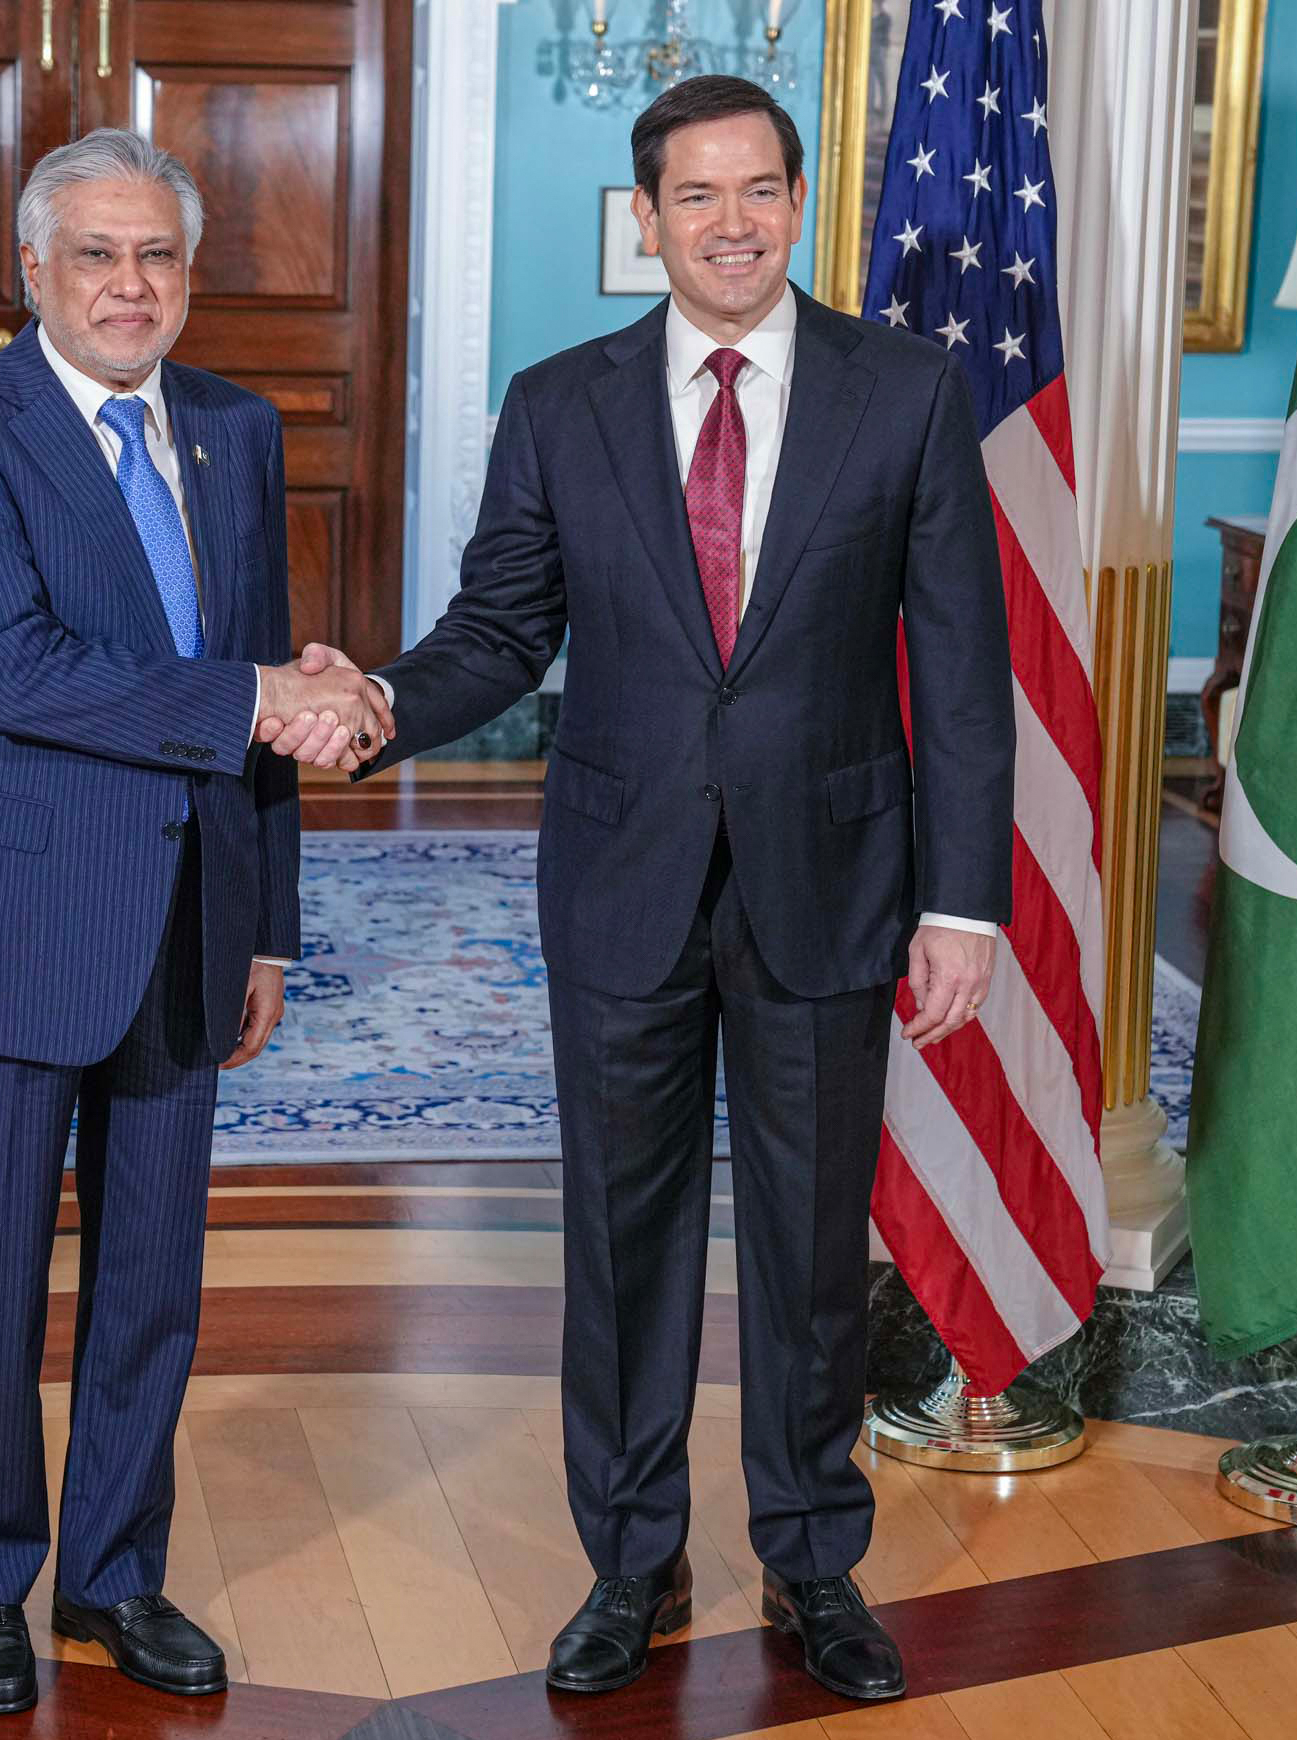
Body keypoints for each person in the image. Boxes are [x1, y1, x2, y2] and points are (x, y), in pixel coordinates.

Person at [262, 76, 1013, 1702]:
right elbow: (498, 630)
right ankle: (634, 1562)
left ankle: (814, 1562)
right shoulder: (560, 402)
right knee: (621, 1241)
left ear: (797, 203)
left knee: (813, 1255)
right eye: (697, 196)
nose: (730, 223)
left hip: (833, 876)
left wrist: (964, 903)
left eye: (758, 192)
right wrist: (382, 699)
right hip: (622, 880)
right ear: (647, 216)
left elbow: (961, 665)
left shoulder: (909, 393)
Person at [0, 128, 391, 1716]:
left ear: (189, 274)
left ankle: (113, 1577)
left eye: (156, 254)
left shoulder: (234, 429)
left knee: (155, 1274)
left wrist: (268, 925)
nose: (128, 284)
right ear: (31, 269)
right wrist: (262, 697)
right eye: (95, 253)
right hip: (18, 907)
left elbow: (252, 680)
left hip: (190, 910)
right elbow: (15, 669)